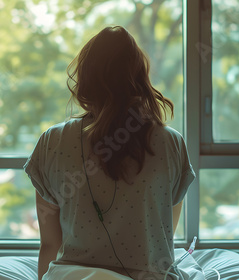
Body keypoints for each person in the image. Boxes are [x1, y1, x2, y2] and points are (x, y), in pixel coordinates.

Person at [23, 25, 195, 280]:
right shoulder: (171, 143)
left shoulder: (52, 142)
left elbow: (49, 245)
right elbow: (162, 240)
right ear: (139, 78)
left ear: (85, 78)